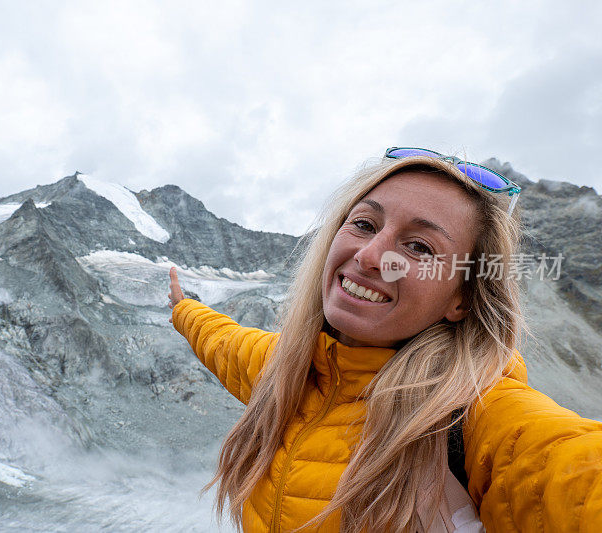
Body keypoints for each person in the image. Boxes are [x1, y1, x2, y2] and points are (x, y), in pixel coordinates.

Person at [166, 148, 602, 532]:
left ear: (461, 300)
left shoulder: (475, 415)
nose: (371, 256)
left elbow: (571, 474)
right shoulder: (286, 367)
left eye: (419, 247)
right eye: (363, 223)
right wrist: (184, 310)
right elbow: (223, 341)